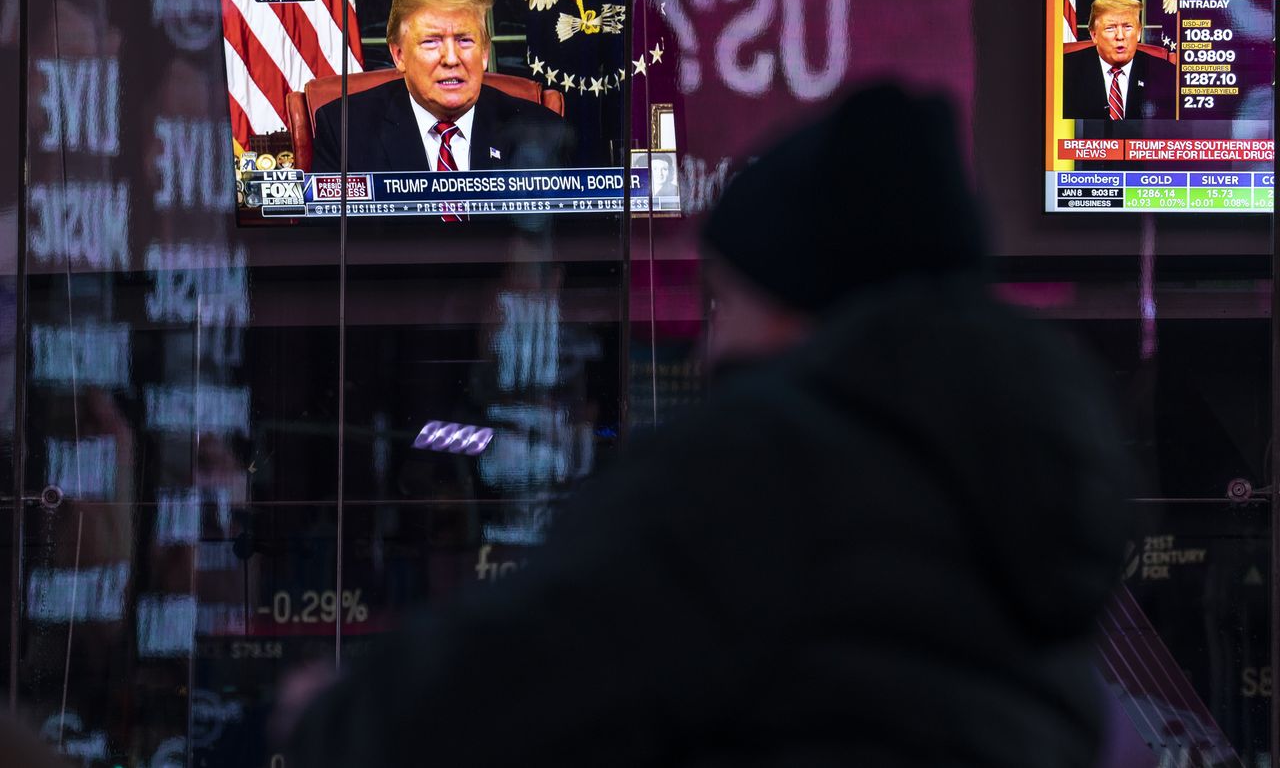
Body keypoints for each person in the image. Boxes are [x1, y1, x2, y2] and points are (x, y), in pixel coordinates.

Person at [285, 84, 1134, 767]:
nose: (711, 334)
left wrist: (325, 717)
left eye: (730, 295)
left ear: (799, 304)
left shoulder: (760, 469)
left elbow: (512, 679)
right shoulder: (1030, 493)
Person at [311, 0, 573, 173]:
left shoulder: (542, 130)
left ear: (484, 53)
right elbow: (326, 242)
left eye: (465, 41)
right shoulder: (345, 128)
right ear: (399, 55)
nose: (451, 58)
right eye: (431, 41)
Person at [1062, 0, 1176, 120]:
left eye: (1128, 27)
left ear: (1138, 32)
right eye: (1110, 28)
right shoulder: (1064, 71)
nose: (1120, 36)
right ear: (1094, 35)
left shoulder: (1167, 74)